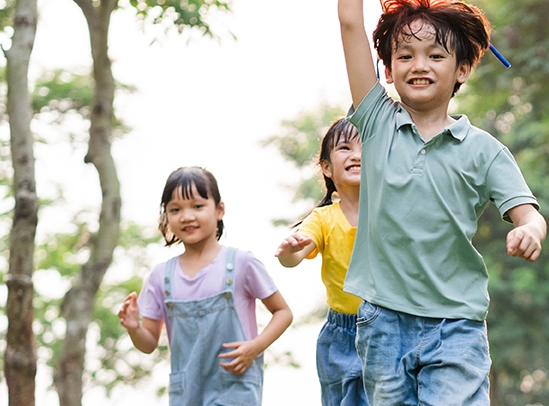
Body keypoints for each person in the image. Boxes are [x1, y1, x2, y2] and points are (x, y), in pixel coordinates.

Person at [337, 0, 548, 403]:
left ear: (463, 68)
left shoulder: (484, 150)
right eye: (405, 55)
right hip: (382, 321)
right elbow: (349, 24)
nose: (419, 65)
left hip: (455, 325)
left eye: (436, 55)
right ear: (389, 70)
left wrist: (530, 230)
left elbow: (528, 212)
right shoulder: (376, 123)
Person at [117, 166, 293, 406]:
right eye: (175, 209)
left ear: (219, 210)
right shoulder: (161, 277)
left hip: (236, 390)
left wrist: (254, 347)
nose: (187, 216)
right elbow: (148, 343)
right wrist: (133, 328)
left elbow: (283, 312)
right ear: (166, 215)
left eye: (197, 206)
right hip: (185, 395)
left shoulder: (241, 263)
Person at [276, 118, 368, 406]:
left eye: (366, 147)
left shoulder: (387, 209)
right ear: (327, 168)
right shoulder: (323, 218)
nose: (356, 155)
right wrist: (289, 251)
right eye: (345, 148)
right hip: (340, 335)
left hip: (386, 325)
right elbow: (298, 253)